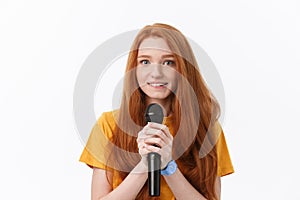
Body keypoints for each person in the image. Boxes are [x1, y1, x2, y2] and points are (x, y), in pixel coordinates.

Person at [79, 23, 234, 200]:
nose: (156, 73)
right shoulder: (108, 125)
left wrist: (169, 166)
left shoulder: (207, 130)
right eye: (145, 61)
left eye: (168, 62)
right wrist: (145, 166)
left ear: (183, 69)